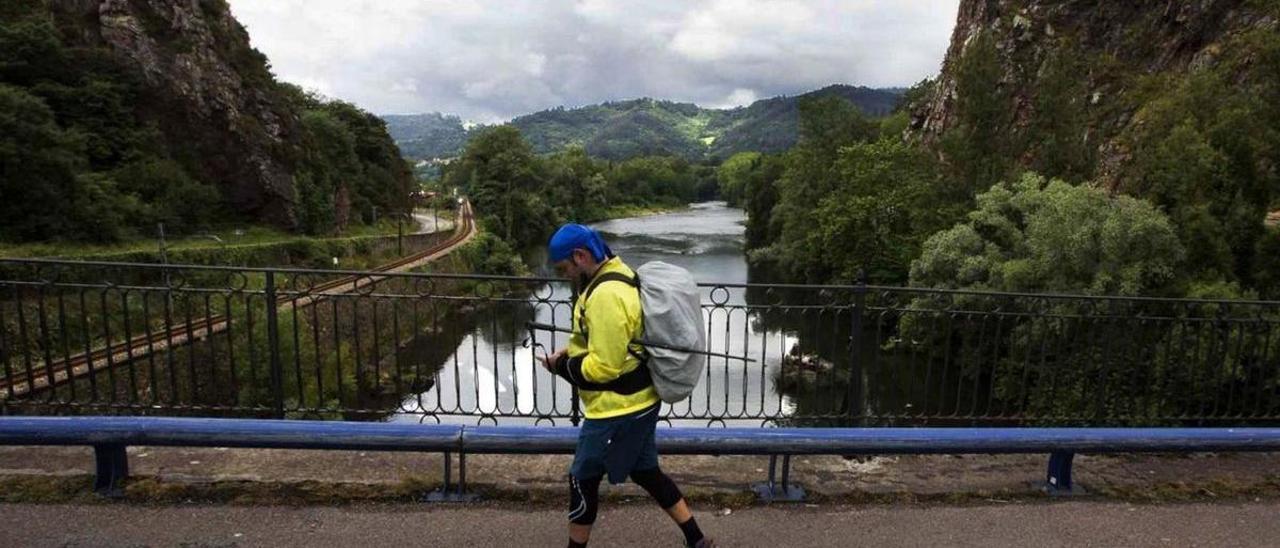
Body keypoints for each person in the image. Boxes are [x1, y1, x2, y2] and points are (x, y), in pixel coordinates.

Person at [540, 223, 713, 548]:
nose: (564, 275)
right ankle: (697, 540)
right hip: (640, 401)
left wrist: (560, 365)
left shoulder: (606, 295)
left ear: (580, 256)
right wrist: (573, 349)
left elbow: (603, 367)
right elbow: (613, 340)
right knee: (646, 471)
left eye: (565, 268)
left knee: (582, 479)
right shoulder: (616, 273)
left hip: (615, 409)